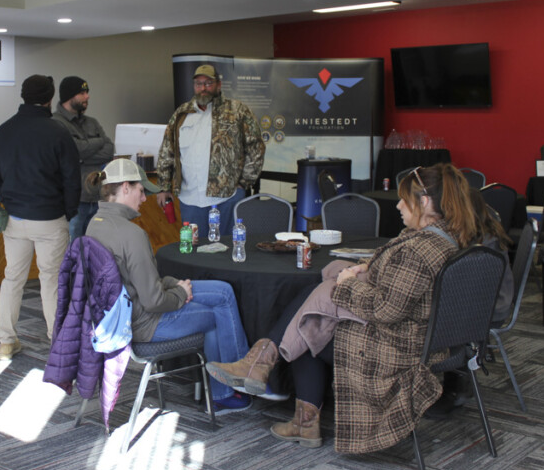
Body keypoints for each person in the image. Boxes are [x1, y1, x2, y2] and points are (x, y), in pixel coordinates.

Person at [207, 163, 478, 450]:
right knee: (313, 314)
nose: (398, 206)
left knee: (310, 326)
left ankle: (276, 384)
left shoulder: (417, 251)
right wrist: (363, 269)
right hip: (419, 337)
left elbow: (386, 310)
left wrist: (349, 284)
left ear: (424, 202)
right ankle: (267, 372)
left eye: (404, 199)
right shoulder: (443, 240)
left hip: (396, 348)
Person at [85, 158, 254, 414]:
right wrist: (180, 292)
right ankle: (230, 388)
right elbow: (154, 301)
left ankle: (236, 378)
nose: (145, 198)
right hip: (145, 324)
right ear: (126, 188)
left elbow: (135, 282)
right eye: (141, 190)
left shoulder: (94, 225)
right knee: (219, 315)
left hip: (120, 318)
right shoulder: (132, 235)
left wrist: (174, 284)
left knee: (223, 291)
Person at [0, 75, 81, 360]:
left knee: (12, 278)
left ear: (23, 96)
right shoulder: (58, 132)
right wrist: (68, 211)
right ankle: (57, 342)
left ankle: (6, 342)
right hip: (50, 218)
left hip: (15, 218)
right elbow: (72, 179)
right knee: (51, 281)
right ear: (49, 98)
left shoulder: (3, 131)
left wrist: (8, 200)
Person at [426, 188, 514, 418]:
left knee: (425, 317)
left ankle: (455, 385)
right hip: (491, 304)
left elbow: (460, 290)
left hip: (486, 310)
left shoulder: (478, 245)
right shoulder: (485, 230)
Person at [154, 64, 265, 232]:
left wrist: (244, 183)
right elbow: (167, 150)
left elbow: (256, 148)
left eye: (208, 83)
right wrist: (164, 187)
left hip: (227, 197)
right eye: (198, 84)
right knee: (194, 246)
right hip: (190, 199)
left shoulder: (238, 111)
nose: (203, 88)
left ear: (218, 85)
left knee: (226, 245)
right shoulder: (182, 113)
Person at [52, 76, 115, 241]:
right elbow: (74, 150)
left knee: (95, 247)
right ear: (69, 96)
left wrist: (81, 157)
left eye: (87, 92)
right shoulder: (56, 123)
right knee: (73, 247)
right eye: (82, 93)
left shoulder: (92, 122)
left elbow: (109, 150)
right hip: (73, 201)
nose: (87, 96)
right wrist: (98, 142)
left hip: (97, 197)